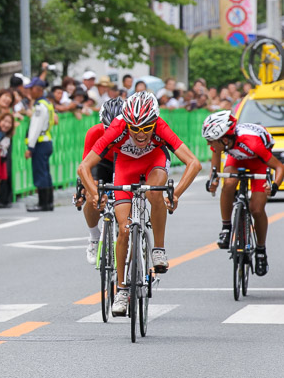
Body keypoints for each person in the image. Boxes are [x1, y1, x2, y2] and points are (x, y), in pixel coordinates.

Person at [78, 92, 202, 317]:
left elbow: (193, 163)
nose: (141, 134)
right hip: (125, 167)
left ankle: (158, 250)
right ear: (127, 123)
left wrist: (176, 194)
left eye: (146, 127)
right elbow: (84, 167)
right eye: (134, 128)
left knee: (155, 194)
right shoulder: (117, 127)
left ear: (154, 121)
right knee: (124, 230)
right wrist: (95, 194)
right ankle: (122, 290)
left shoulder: (161, 127)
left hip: (154, 161)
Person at [202, 110, 284, 276]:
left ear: (225, 138)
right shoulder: (221, 142)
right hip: (237, 158)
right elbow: (216, 165)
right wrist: (214, 180)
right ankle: (226, 228)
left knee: (257, 209)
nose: (209, 144)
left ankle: (261, 250)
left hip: (257, 162)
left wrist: (274, 186)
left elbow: (279, 167)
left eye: (211, 141)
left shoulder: (253, 143)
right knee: (229, 182)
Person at [76, 97, 124, 264]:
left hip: (124, 160)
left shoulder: (134, 132)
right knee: (92, 193)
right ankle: (94, 237)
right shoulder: (94, 132)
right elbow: (85, 168)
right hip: (102, 161)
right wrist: (87, 189)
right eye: (109, 129)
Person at [24, 77, 55, 212]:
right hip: (46, 141)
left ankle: (43, 204)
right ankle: (48, 202)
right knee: (45, 173)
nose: (29, 92)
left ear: (38, 90)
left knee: (40, 173)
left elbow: (35, 128)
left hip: (40, 143)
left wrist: (30, 147)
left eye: (31, 89)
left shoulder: (39, 106)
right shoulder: (47, 103)